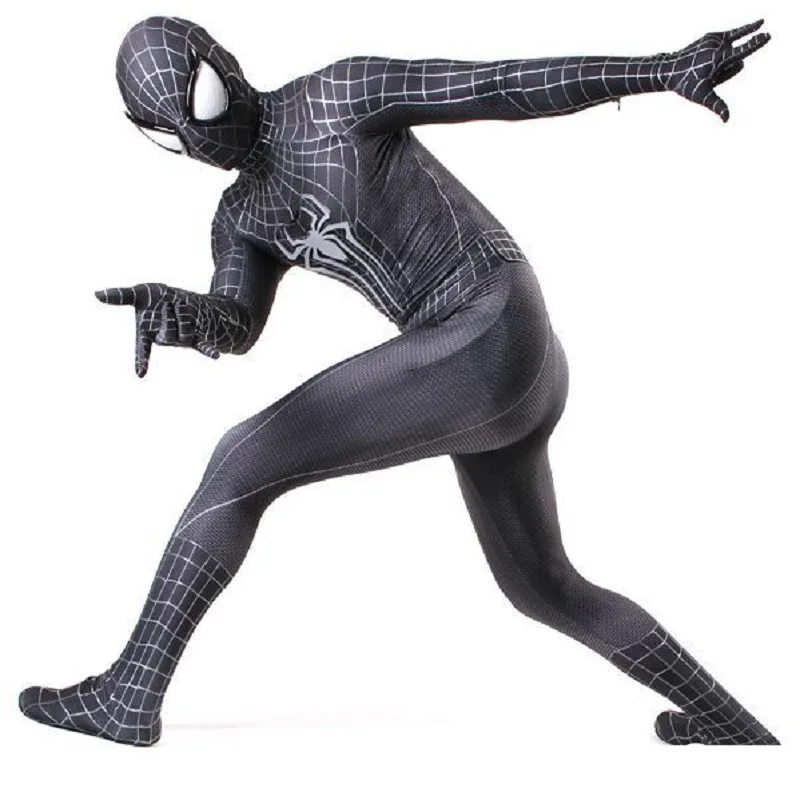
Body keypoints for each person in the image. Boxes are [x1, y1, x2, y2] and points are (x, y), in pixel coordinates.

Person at [19, 16, 777, 746]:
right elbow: (237, 324)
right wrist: (186, 316)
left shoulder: (338, 95)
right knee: (543, 587)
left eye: (198, 104)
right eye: (169, 135)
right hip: (502, 364)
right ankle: (732, 726)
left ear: (221, 64)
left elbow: (498, 85)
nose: (198, 140)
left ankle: (130, 695)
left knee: (240, 462)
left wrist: (655, 71)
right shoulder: (239, 215)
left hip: (487, 326)